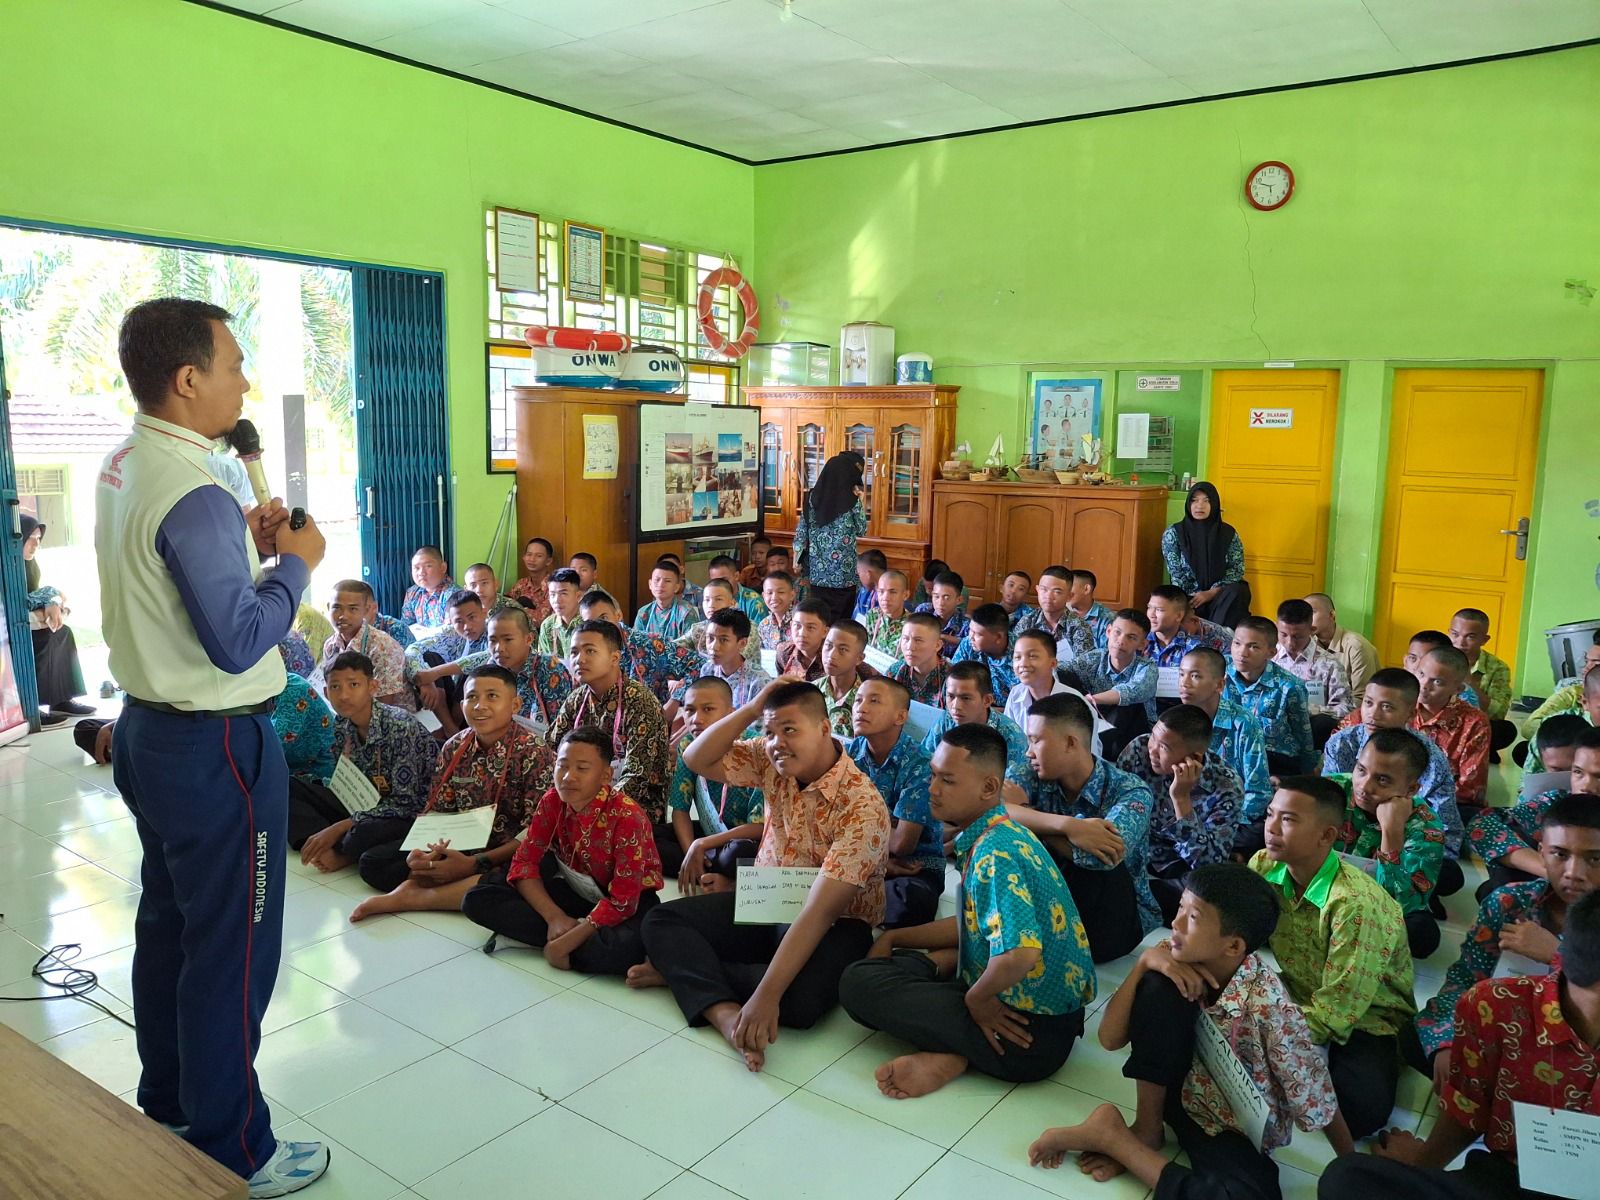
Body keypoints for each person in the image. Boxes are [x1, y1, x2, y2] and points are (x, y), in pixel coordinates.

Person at [97, 297, 330, 1191]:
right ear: (189, 379)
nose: (245, 379)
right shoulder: (194, 488)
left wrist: (241, 542)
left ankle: (171, 1101)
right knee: (232, 949)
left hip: (150, 734)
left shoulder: (128, 462)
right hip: (218, 750)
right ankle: (233, 1149)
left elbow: (170, 568)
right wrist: (296, 563)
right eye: (234, 363)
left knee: (171, 926)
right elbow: (239, 639)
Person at [1028, 864, 1350, 1196]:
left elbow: (1316, 1095)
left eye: (1193, 918)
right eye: (1180, 908)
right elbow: (1109, 1039)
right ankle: (1146, 1130)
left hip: (1228, 1127)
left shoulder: (1270, 1008)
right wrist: (1144, 964)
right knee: (1159, 985)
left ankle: (1114, 1139)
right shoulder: (1174, 953)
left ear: (1234, 947)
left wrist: (1352, 1165)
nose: (1176, 923)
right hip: (1174, 1096)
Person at [633, 679, 889, 1072]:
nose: (777, 742)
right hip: (769, 896)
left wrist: (767, 998)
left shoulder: (863, 805)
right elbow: (696, 760)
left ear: (824, 728)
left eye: (789, 730)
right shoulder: (771, 759)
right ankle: (723, 1013)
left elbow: (819, 913)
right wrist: (753, 709)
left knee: (800, 1003)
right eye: (769, 732)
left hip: (837, 920)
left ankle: (684, 972)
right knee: (661, 919)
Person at [840, 724, 1094, 1096]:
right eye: (932, 775)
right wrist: (895, 937)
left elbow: (1020, 953)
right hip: (1048, 1019)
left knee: (857, 984)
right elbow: (973, 924)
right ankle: (955, 1031)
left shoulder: (996, 854)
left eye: (947, 780)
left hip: (1026, 1035)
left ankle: (954, 1052)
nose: (932, 789)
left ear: (989, 788)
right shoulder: (1003, 832)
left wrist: (977, 1000)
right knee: (891, 963)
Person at [1319, 891, 1600, 1200]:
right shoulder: (1498, 1006)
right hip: (1503, 1179)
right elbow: (1468, 1110)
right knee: (1347, 1179)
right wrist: (1423, 1168)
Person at [1249, 777, 1415, 1138]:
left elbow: (1336, 1014)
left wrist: (1257, 1027)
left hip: (1367, 1016)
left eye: (1289, 820)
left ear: (1327, 836)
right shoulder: (1264, 865)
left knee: (1358, 1113)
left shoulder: (1355, 905)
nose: (1271, 829)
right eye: (1269, 814)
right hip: (1298, 992)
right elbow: (1236, 935)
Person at [1409, 792, 1600, 1090]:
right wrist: (1446, 1043)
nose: (1574, 873)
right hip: (1507, 1034)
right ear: (1541, 852)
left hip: (1578, 1055)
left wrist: (1557, 955)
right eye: (1560, 854)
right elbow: (1465, 979)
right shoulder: (1510, 902)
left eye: (1594, 858)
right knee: (1417, 1040)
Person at [350, 664, 551, 918]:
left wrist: (474, 864)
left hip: (507, 850)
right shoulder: (454, 745)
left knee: (526, 873)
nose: (479, 706)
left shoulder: (533, 750)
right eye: (472, 697)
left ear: (514, 705)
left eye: (492, 696)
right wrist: (426, 852)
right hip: (461, 844)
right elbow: (439, 810)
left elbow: (534, 833)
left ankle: (417, 897)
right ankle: (439, 883)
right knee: (373, 862)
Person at [462, 726, 664, 975]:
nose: (568, 777)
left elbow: (624, 902)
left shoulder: (628, 816)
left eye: (582, 768)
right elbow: (524, 864)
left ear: (605, 775)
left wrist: (567, 942)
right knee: (476, 899)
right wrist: (554, 917)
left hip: (628, 901)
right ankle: (564, 934)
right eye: (562, 765)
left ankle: (555, 941)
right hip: (578, 890)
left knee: (624, 948)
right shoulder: (551, 801)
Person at [1010, 692, 1157, 960]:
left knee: (1098, 865)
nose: (1027, 752)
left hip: (1111, 920)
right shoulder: (1030, 771)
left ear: (1070, 743)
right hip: (1050, 900)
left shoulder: (1130, 790)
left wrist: (1029, 819)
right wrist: (1069, 827)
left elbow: (1101, 859)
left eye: (1035, 741)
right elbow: (993, 808)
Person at [292, 651, 439, 877]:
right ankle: (320, 844)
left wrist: (341, 826)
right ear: (325, 692)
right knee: (290, 786)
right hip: (363, 802)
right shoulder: (341, 725)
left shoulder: (399, 725)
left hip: (406, 812)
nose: (344, 695)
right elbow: (344, 781)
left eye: (353, 685)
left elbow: (406, 803)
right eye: (335, 687)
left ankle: (342, 851)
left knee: (361, 834)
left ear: (372, 687)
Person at [1322, 670, 1465, 871]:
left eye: (1387, 707)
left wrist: (1397, 831)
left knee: (1449, 872)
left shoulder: (1431, 759)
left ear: (1411, 714)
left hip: (1407, 836)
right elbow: (1327, 803)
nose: (1374, 714)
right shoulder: (1341, 744)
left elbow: (1444, 824)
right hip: (1345, 836)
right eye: (1368, 703)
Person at [1115, 705, 1244, 926]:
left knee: (1208, 891)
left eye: (1163, 747)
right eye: (1153, 737)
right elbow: (1115, 813)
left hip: (1181, 867)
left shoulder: (1226, 786)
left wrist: (1181, 799)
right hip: (1136, 852)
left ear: (1193, 757)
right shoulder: (1137, 750)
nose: (1152, 750)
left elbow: (1207, 865)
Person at [1332, 729, 1447, 958]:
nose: (1364, 786)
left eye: (1382, 780)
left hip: (1376, 906)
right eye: (1361, 770)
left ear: (1411, 789)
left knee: (1421, 935)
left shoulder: (1425, 825)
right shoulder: (1333, 792)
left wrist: (1392, 831)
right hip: (1325, 890)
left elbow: (1400, 906)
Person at [846, 677, 944, 928]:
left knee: (909, 900)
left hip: (913, 868)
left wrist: (855, 822)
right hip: (855, 857)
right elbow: (828, 819)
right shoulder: (848, 754)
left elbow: (902, 844)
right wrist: (879, 863)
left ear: (900, 717)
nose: (861, 708)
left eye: (874, 701)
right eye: (858, 700)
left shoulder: (920, 763)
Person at [1468, 724, 1600, 897]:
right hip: (1556, 893)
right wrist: (1550, 870)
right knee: (1511, 838)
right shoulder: (1558, 801)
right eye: (1578, 772)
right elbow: (1481, 825)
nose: (1586, 786)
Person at [422, 604, 574, 736]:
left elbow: (560, 729)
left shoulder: (550, 670)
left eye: (508, 640)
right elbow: (468, 663)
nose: (499, 648)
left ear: (529, 639)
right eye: (493, 640)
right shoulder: (492, 665)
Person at [666, 676, 764, 870]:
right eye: (690, 710)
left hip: (743, 839)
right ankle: (703, 867)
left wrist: (703, 845)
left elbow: (759, 827)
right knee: (651, 836)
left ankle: (717, 872)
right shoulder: (687, 745)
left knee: (737, 853)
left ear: (731, 714)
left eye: (708, 709)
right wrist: (690, 853)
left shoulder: (755, 749)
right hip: (708, 834)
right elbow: (680, 809)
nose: (696, 719)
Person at [1176, 646, 1273, 830]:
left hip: (1233, 818)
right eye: (1182, 674)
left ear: (1219, 685)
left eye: (1195, 676)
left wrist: (1225, 825)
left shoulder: (1243, 723)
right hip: (1186, 813)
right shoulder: (1175, 721)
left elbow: (1258, 791)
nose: (1184, 683)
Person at [20, 514, 94, 724]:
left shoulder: (30, 566)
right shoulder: (6, 567)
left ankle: (60, 700)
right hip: (9, 632)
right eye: (30, 538)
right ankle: (29, 706)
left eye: (38, 538)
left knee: (62, 633)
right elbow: (13, 608)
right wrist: (44, 612)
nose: (36, 544)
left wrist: (51, 604)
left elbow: (34, 596)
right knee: (41, 641)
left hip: (29, 624)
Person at [1226, 616, 1315, 775]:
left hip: (1274, 759)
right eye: (1237, 643)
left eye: (1253, 647)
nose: (1242, 653)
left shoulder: (1290, 687)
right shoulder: (1220, 672)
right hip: (1229, 754)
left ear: (1271, 652)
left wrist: (1306, 777)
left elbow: (1303, 736)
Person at [1065, 609, 1157, 757]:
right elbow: (1061, 670)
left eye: (1131, 637)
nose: (1121, 641)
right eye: (1117, 632)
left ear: (1142, 644)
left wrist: (1091, 700)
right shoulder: (1093, 658)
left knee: (1126, 705)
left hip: (1136, 731)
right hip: (1097, 721)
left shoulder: (1147, 667)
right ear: (1108, 631)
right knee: (1064, 676)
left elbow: (1130, 691)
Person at [922, 662, 1033, 785]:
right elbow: (924, 762)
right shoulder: (947, 720)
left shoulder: (1011, 737)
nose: (955, 706)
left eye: (966, 698)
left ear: (987, 700)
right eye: (951, 696)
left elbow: (1012, 789)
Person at [1408, 644, 1490, 809]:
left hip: (1448, 804)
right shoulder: (1401, 705)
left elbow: (1470, 787)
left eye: (1437, 682)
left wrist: (1419, 803)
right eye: (1421, 674)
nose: (1424, 685)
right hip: (1394, 797)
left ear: (1458, 689)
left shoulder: (1474, 722)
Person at [792, 450, 868, 625]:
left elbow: (802, 531)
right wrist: (860, 501)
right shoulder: (852, 500)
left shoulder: (812, 498)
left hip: (818, 575)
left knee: (822, 620)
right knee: (842, 622)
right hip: (845, 575)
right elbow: (862, 530)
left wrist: (796, 558)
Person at [1162, 481, 1250, 628]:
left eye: (1206, 500)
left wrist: (1211, 592)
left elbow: (1236, 569)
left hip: (1220, 594)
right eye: (1194, 500)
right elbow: (1176, 573)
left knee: (1238, 591)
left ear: (1214, 504)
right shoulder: (1174, 533)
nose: (1199, 506)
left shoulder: (1228, 533)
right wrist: (1196, 595)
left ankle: (1221, 640)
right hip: (1189, 596)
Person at [1272, 597, 1354, 747]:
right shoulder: (1269, 657)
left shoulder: (1329, 664)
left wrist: (1311, 710)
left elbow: (1346, 708)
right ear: (1277, 627)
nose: (1290, 643)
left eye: (1298, 636)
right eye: (1283, 634)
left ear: (1312, 630)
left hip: (1311, 731)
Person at [405, 588, 491, 729]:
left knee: (472, 672)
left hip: (480, 699)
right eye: (459, 621)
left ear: (484, 613)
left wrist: (435, 673)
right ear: (451, 621)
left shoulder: (494, 631)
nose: (467, 626)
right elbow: (412, 649)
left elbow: (487, 656)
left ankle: (451, 730)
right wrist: (425, 681)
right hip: (452, 700)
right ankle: (450, 729)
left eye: (472, 617)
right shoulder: (450, 633)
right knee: (429, 657)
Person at [1447, 605, 1517, 755]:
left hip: (1472, 725)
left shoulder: (1498, 668)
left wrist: (1469, 681)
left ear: (1484, 640)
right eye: (1455, 634)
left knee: (1505, 730)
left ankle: (1473, 747)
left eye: (1470, 637)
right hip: (1441, 722)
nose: (1460, 642)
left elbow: (1498, 713)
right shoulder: (1437, 658)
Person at [1306, 592, 1379, 697]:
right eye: (1303, 615)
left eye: (1312, 612)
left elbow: (1363, 696)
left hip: (1349, 711)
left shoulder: (1356, 646)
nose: (1306, 619)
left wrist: (1326, 712)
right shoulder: (1307, 643)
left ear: (1332, 615)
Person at [1014, 565, 1094, 659]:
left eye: (1057, 592)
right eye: (1044, 589)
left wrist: (1044, 665)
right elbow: (1014, 656)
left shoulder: (1079, 627)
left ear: (1069, 596)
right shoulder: (1027, 621)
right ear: (1037, 590)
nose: (1048, 596)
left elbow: (1082, 667)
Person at [950, 602, 1019, 699]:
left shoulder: (1021, 654)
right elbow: (953, 678)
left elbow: (1023, 704)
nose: (971, 637)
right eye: (970, 630)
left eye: (978, 634)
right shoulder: (968, 644)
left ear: (998, 637)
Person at [818, 619, 873, 735]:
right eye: (828, 645)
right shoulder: (810, 691)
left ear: (859, 659)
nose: (831, 655)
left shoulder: (868, 703)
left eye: (843, 649)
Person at [890, 612, 949, 706]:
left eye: (918, 640)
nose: (910, 647)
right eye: (905, 639)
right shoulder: (895, 671)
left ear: (937, 645)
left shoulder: (952, 677)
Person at [634, 559, 698, 640]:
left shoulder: (686, 612)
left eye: (667, 581)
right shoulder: (643, 612)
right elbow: (636, 643)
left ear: (676, 587)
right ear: (650, 584)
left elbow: (692, 646)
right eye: (657, 580)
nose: (661, 584)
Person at [1144, 584, 1200, 668]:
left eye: (1159, 610)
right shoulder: (1138, 641)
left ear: (1178, 616)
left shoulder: (1193, 647)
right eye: (1149, 607)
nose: (1151, 614)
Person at [913, 569, 971, 650]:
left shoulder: (965, 625)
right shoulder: (923, 611)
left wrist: (943, 637)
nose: (940, 603)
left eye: (946, 598)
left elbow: (972, 647)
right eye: (936, 596)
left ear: (959, 600)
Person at [777, 597, 830, 681]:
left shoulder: (833, 658)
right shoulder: (784, 652)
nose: (802, 634)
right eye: (797, 626)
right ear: (791, 626)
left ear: (825, 632)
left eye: (811, 627)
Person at [400, 545, 454, 628]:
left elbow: (451, 633)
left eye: (428, 566)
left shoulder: (453, 595)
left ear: (443, 567)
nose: (421, 572)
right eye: (417, 568)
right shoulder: (412, 592)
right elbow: (406, 627)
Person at [536, 566, 584, 658]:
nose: (557, 600)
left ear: (578, 596)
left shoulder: (588, 622)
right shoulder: (548, 626)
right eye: (552, 594)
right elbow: (544, 664)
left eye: (563, 594)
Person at [708, 553, 770, 624]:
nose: (720, 585)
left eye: (724, 580)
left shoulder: (754, 602)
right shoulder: (709, 601)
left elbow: (761, 632)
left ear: (736, 576)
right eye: (715, 581)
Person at [508, 536, 554, 627]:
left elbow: (542, 619)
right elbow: (505, 605)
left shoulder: (553, 586)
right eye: (529, 554)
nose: (532, 559)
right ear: (524, 557)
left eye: (538, 556)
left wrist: (515, 611)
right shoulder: (521, 584)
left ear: (548, 561)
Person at [865, 568, 911, 658]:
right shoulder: (873, 615)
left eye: (892, 592)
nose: (885, 598)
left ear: (905, 595)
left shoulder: (912, 624)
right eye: (881, 591)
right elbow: (865, 648)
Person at [1067, 569, 1115, 646]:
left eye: (1069, 586)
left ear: (1086, 589)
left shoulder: (1107, 619)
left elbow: (1106, 653)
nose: (1065, 591)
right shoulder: (1061, 613)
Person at [757, 570, 797, 651]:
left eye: (781, 592)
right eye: (769, 593)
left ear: (792, 595)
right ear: (763, 596)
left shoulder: (800, 621)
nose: (774, 597)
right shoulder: (764, 625)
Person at [852, 548, 886, 620]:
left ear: (868, 574)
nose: (859, 578)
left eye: (859, 574)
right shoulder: (864, 591)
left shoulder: (888, 596)